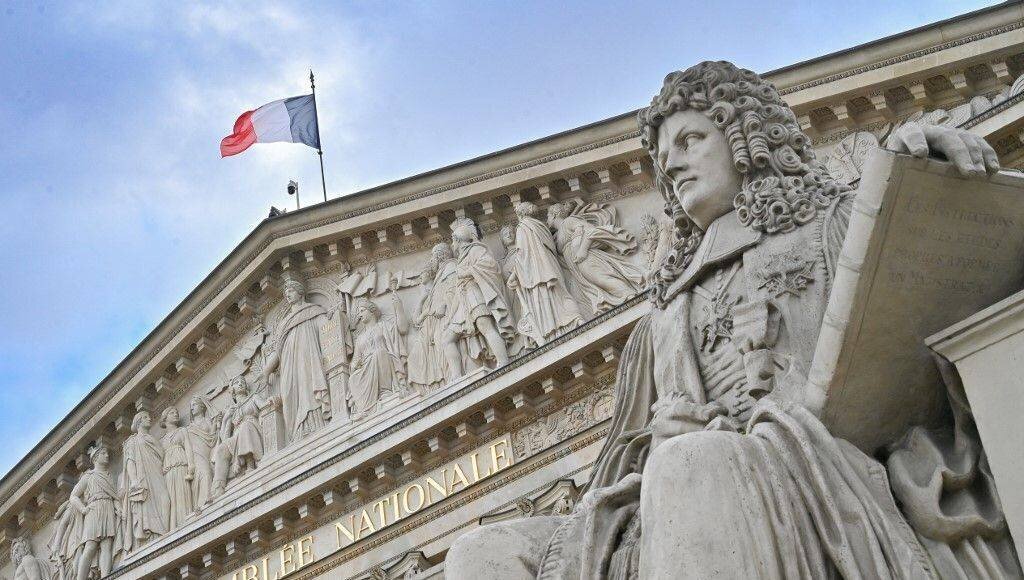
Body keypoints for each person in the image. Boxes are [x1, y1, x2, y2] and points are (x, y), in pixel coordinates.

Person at [446, 61, 1002, 580]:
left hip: (818, 471)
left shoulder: (833, 227)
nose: (676, 165)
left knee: (690, 466)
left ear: (745, 138)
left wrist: (922, 168)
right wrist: (653, 443)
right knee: (481, 552)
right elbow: (613, 471)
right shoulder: (662, 317)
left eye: (691, 141)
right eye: (666, 162)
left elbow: (935, 307)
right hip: (680, 489)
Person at [262, 271, 331, 441]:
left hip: (309, 359)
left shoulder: (313, 311)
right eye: (286, 293)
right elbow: (277, 351)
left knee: (308, 387)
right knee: (292, 395)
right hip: (288, 367)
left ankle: (316, 424)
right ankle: (298, 432)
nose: (288, 295)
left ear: (300, 292)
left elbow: (328, 329)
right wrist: (266, 371)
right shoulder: (283, 324)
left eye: (291, 291)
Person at [442, 218, 513, 375]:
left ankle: (504, 362)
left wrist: (467, 272)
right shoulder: (462, 258)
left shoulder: (476, 249)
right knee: (447, 338)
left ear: (457, 240)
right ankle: (456, 379)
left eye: (452, 240)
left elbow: (491, 266)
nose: (452, 245)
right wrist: (450, 317)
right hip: (464, 300)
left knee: (485, 327)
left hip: (475, 296)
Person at [547, 201, 643, 315]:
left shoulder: (569, 221)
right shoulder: (558, 234)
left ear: (553, 215)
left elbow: (590, 231)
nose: (547, 219)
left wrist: (582, 250)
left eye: (547, 216)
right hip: (576, 265)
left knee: (601, 278)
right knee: (592, 285)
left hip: (584, 258)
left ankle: (630, 295)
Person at [507, 202, 583, 345]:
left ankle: (551, 333)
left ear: (520, 215)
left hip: (536, 273)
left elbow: (522, 254)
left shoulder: (523, 227)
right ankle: (576, 318)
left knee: (544, 300)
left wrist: (513, 276)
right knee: (561, 294)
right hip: (551, 267)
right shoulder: (542, 227)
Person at [49, 445, 119, 580]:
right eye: (103, 453)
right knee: (91, 546)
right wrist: (83, 509)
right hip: (93, 509)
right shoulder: (89, 476)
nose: (107, 455)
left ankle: (106, 576)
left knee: (107, 544)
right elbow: (73, 496)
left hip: (108, 507)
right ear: (96, 458)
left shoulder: (109, 476)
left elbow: (114, 495)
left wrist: (118, 507)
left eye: (106, 453)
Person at [346, 296, 410, 418]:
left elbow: (403, 329)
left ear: (371, 311)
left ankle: (385, 391)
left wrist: (398, 306)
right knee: (352, 378)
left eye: (362, 311)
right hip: (366, 367)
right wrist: (354, 365)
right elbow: (356, 359)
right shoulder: (360, 338)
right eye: (358, 312)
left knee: (379, 353)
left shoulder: (384, 326)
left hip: (384, 359)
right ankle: (365, 408)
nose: (359, 315)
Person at [121, 410, 170, 554]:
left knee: (165, 500)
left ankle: (166, 533)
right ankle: (152, 537)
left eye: (149, 417)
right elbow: (130, 461)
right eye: (145, 417)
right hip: (144, 479)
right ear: (138, 422)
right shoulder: (133, 441)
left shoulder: (152, 439)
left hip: (158, 474)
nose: (149, 419)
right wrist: (134, 480)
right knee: (150, 505)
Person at [211, 376, 264, 498]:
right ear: (232, 390)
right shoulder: (231, 409)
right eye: (237, 383)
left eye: (243, 382)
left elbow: (264, 404)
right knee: (222, 448)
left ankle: (250, 465)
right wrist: (225, 419)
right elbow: (225, 438)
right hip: (236, 437)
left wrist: (271, 400)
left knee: (245, 426)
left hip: (253, 428)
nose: (240, 384)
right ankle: (218, 487)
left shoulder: (253, 397)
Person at [159, 406, 195, 528]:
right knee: (171, 499)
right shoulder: (162, 440)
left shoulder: (182, 431)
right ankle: (173, 527)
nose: (176, 414)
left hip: (181, 466)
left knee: (182, 494)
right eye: (172, 413)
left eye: (177, 412)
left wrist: (191, 465)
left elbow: (189, 448)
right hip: (168, 471)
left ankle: (186, 522)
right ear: (165, 418)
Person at [185, 395, 216, 511]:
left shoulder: (207, 421)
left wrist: (216, 423)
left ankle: (203, 502)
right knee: (204, 473)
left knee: (208, 471)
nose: (192, 408)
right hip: (196, 454)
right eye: (190, 406)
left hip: (207, 450)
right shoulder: (189, 428)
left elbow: (212, 438)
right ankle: (203, 501)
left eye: (194, 405)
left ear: (202, 406)